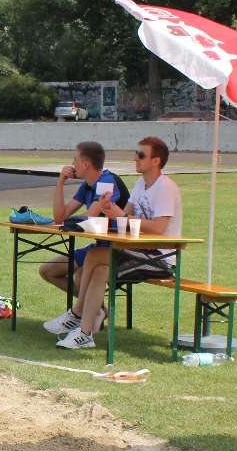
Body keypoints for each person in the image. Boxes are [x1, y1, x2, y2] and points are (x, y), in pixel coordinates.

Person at [54, 137, 182, 349]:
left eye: (141, 155)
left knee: (95, 257)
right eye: (136, 153)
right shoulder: (141, 184)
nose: (135, 158)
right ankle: (85, 334)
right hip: (138, 250)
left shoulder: (165, 187)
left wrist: (120, 215)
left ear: (156, 161)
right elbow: (125, 216)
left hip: (160, 257)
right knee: (99, 269)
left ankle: (77, 314)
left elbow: (158, 227)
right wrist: (109, 209)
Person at [40, 141, 129, 335]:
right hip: (97, 248)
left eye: (75, 160)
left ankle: (85, 314)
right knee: (48, 271)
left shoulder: (107, 181)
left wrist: (74, 221)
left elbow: (91, 216)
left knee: (81, 275)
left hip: (118, 249)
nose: (72, 164)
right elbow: (60, 217)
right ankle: (98, 310)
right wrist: (60, 182)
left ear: (86, 164)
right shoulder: (86, 185)